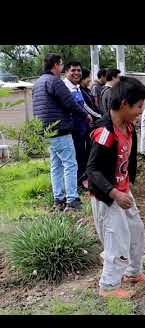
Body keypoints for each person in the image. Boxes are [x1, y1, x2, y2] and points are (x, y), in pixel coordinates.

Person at [86, 76, 145, 299]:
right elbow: (93, 171)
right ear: (125, 104)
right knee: (116, 237)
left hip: (122, 189)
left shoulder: (128, 127)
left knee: (136, 232)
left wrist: (124, 188)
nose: (140, 111)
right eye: (139, 106)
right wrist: (114, 193)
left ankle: (133, 272)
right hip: (108, 194)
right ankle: (108, 286)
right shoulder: (105, 133)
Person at [32, 53, 91, 212]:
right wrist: (85, 115)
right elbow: (69, 102)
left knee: (56, 165)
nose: (62, 68)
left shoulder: (38, 83)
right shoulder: (54, 81)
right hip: (60, 129)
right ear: (56, 65)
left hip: (46, 131)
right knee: (70, 164)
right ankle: (72, 200)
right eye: (62, 65)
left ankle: (58, 200)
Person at [64, 61, 98, 191]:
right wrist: (86, 115)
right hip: (71, 129)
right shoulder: (64, 87)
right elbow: (73, 107)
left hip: (82, 128)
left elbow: (83, 106)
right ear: (66, 72)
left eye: (78, 70)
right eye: (73, 70)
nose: (76, 73)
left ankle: (83, 179)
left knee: (83, 155)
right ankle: (77, 184)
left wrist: (99, 117)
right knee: (74, 157)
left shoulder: (76, 87)